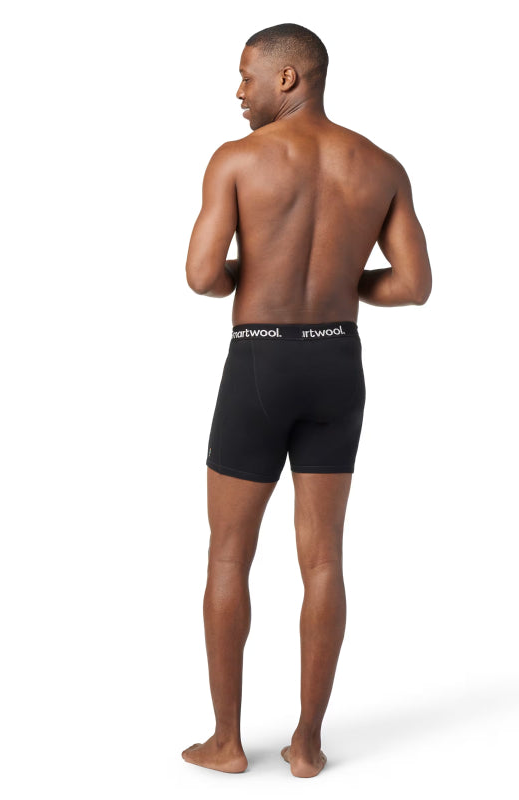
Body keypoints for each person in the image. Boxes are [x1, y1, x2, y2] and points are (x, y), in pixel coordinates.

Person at [182, 22, 432, 778]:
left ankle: (226, 742)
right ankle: (308, 745)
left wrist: (256, 271)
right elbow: (413, 286)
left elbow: (201, 276)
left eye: (247, 75)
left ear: (288, 78)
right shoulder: (380, 165)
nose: (239, 91)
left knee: (229, 554)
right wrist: (341, 282)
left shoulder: (237, 160)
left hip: (260, 363)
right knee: (324, 559)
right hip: (337, 363)